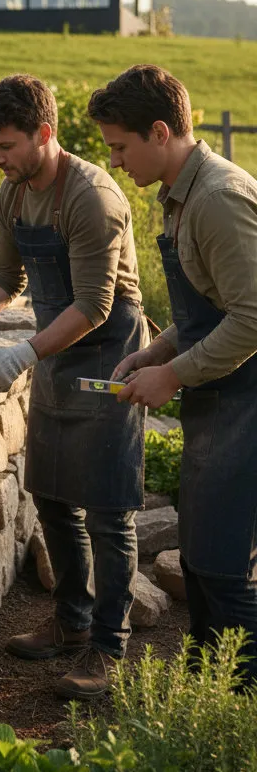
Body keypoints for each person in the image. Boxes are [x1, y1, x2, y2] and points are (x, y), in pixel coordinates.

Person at [0, 74, 146, 698]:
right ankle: (71, 624)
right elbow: (4, 277)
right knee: (52, 496)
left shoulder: (91, 197)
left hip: (107, 359)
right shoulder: (14, 195)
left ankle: (106, 648)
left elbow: (95, 306)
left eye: (6, 145)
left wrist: (20, 353)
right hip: (53, 354)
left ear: (44, 134)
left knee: (107, 507)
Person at [89, 64, 257, 681]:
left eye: (120, 147)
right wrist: (155, 353)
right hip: (221, 399)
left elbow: (253, 319)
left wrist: (175, 376)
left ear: (160, 131)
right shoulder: (178, 196)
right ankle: (207, 698)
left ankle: (238, 723)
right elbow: (205, 310)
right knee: (202, 563)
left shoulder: (217, 198)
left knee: (223, 569)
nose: (117, 161)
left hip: (246, 400)